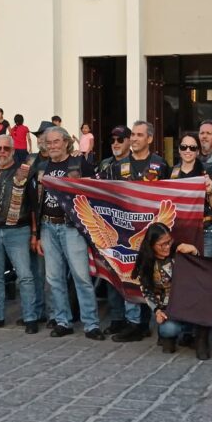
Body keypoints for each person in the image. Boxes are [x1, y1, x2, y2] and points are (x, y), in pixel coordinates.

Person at [33, 126, 104, 340]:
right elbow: (34, 201)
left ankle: (91, 324)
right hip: (48, 226)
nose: (52, 146)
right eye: (48, 142)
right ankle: (62, 321)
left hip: (72, 228)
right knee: (54, 278)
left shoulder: (79, 163)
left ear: (66, 142)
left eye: (56, 141)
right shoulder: (41, 167)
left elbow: (96, 191)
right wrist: (36, 234)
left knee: (81, 277)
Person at [110, 120, 170, 342]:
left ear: (150, 139)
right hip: (126, 231)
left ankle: (157, 322)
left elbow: (170, 195)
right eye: (132, 135)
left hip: (151, 232)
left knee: (153, 276)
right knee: (130, 275)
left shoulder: (160, 165)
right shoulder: (119, 166)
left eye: (139, 135)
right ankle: (134, 323)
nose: (134, 138)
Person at [0, 135, 39, 333]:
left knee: (25, 276)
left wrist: (35, 233)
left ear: (13, 150)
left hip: (18, 231)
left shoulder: (25, 171)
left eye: (6, 148)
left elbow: (34, 206)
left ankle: (30, 317)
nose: (2, 152)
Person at [168, 132, 212, 349]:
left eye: (192, 147)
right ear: (178, 149)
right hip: (179, 233)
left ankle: (202, 331)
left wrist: (210, 192)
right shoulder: (172, 173)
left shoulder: (207, 172)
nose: (188, 151)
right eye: (184, 147)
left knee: (204, 281)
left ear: (198, 151)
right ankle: (186, 329)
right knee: (183, 281)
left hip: (205, 231)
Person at [132, 223, 208, 358]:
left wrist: (195, 251)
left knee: (204, 316)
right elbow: (146, 291)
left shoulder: (179, 251)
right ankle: (170, 336)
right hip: (168, 309)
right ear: (151, 245)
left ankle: (193, 336)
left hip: (189, 304)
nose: (167, 247)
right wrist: (157, 311)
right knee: (169, 329)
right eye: (162, 244)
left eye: (169, 242)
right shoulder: (146, 262)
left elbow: (200, 272)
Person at [95, 125, 132, 335]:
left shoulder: (136, 163)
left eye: (120, 140)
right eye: (112, 140)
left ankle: (137, 321)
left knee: (133, 274)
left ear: (128, 141)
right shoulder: (104, 164)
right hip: (109, 226)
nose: (115, 144)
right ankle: (117, 318)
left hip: (132, 225)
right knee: (111, 273)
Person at [28, 121, 54, 325]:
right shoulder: (30, 160)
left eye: (43, 135)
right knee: (35, 272)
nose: (40, 139)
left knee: (52, 273)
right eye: (38, 136)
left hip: (51, 221)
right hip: (30, 221)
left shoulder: (59, 160)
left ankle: (55, 313)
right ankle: (37, 311)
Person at [198, 120, 212, 257]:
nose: (204, 136)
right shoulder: (192, 157)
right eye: (202, 133)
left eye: (208, 133)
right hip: (199, 223)